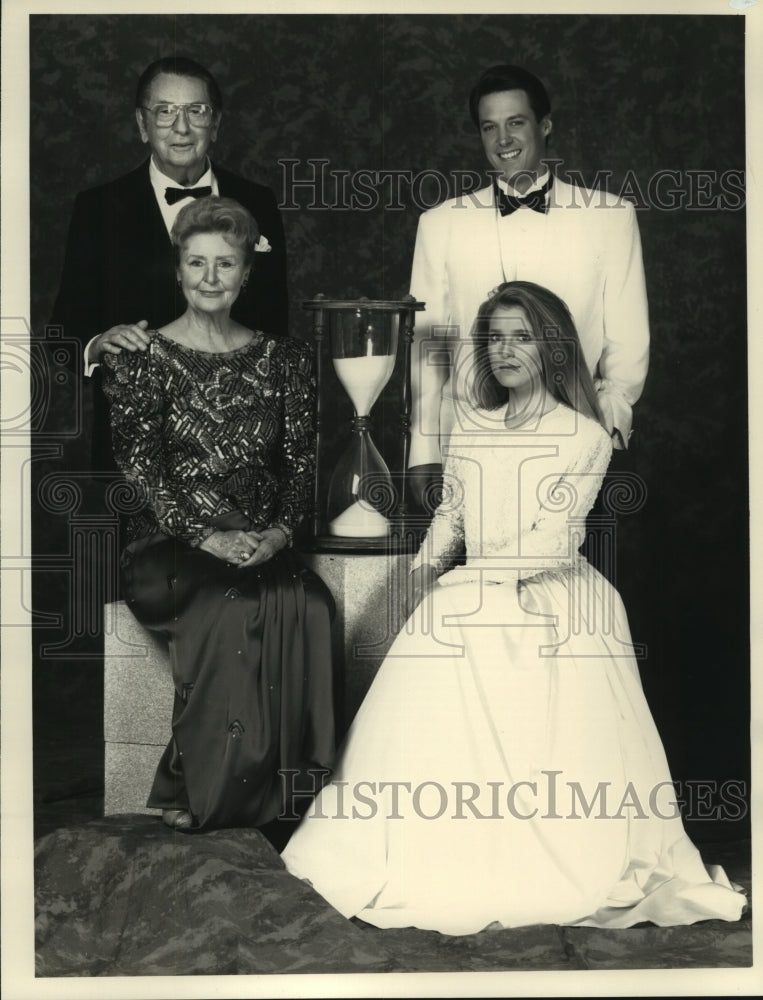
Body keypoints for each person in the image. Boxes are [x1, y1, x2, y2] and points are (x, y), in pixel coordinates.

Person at [281, 281, 744, 933]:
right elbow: (452, 515)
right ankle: (423, 847)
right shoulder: (472, 425)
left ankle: (539, 849)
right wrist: (419, 576)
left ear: (550, 347)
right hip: (472, 586)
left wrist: (478, 581)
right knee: (430, 659)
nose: (504, 350)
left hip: (547, 595)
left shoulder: (581, 435)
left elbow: (554, 537)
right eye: (494, 337)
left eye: (520, 336)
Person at [101, 197, 333, 832]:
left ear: (244, 274)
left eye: (224, 264)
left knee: (311, 604)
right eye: (196, 262)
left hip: (261, 539)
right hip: (166, 546)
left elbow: (301, 465)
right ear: (178, 269)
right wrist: (207, 537)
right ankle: (203, 788)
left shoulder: (285, 361)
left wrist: (280, 532)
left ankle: (293, 793)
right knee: (231, 606)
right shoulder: (140, 357)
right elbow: (142, 471)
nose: (209, 277)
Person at [408, 64, 649, 510]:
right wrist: (423, 454)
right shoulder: (438, 224)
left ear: (545, 126)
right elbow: (429, 351)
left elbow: (627, 342)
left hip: (573, 444)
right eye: (489, 127)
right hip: (466, 447)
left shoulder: (611, 217)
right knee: (467, 576)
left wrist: (603, 430)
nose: (503, 140)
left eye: (516, 122)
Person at [52, 55, 288, 472]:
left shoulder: (258, 202)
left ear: (215, 124)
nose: (181, 127)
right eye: (165, 112)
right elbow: (62, 335)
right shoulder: (97, 208)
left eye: (196, 111)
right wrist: (97, 344)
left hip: (240, 450)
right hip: (134, 456)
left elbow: (276, 328)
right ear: (142, 125)